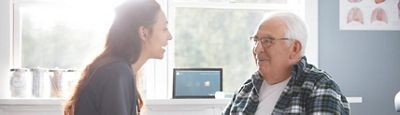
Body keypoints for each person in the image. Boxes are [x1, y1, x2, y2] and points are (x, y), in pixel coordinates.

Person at [223, 12, 349, 114]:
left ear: (295, 48)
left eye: (267, 41)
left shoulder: (320, 86)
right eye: (256, 40)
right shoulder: (246, 89)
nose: (257, 49)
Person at [63, 0, 172, 114]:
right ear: (143, 33)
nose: (170, 36)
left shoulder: (118, 70)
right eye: (164, 28)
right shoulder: (116, 73)